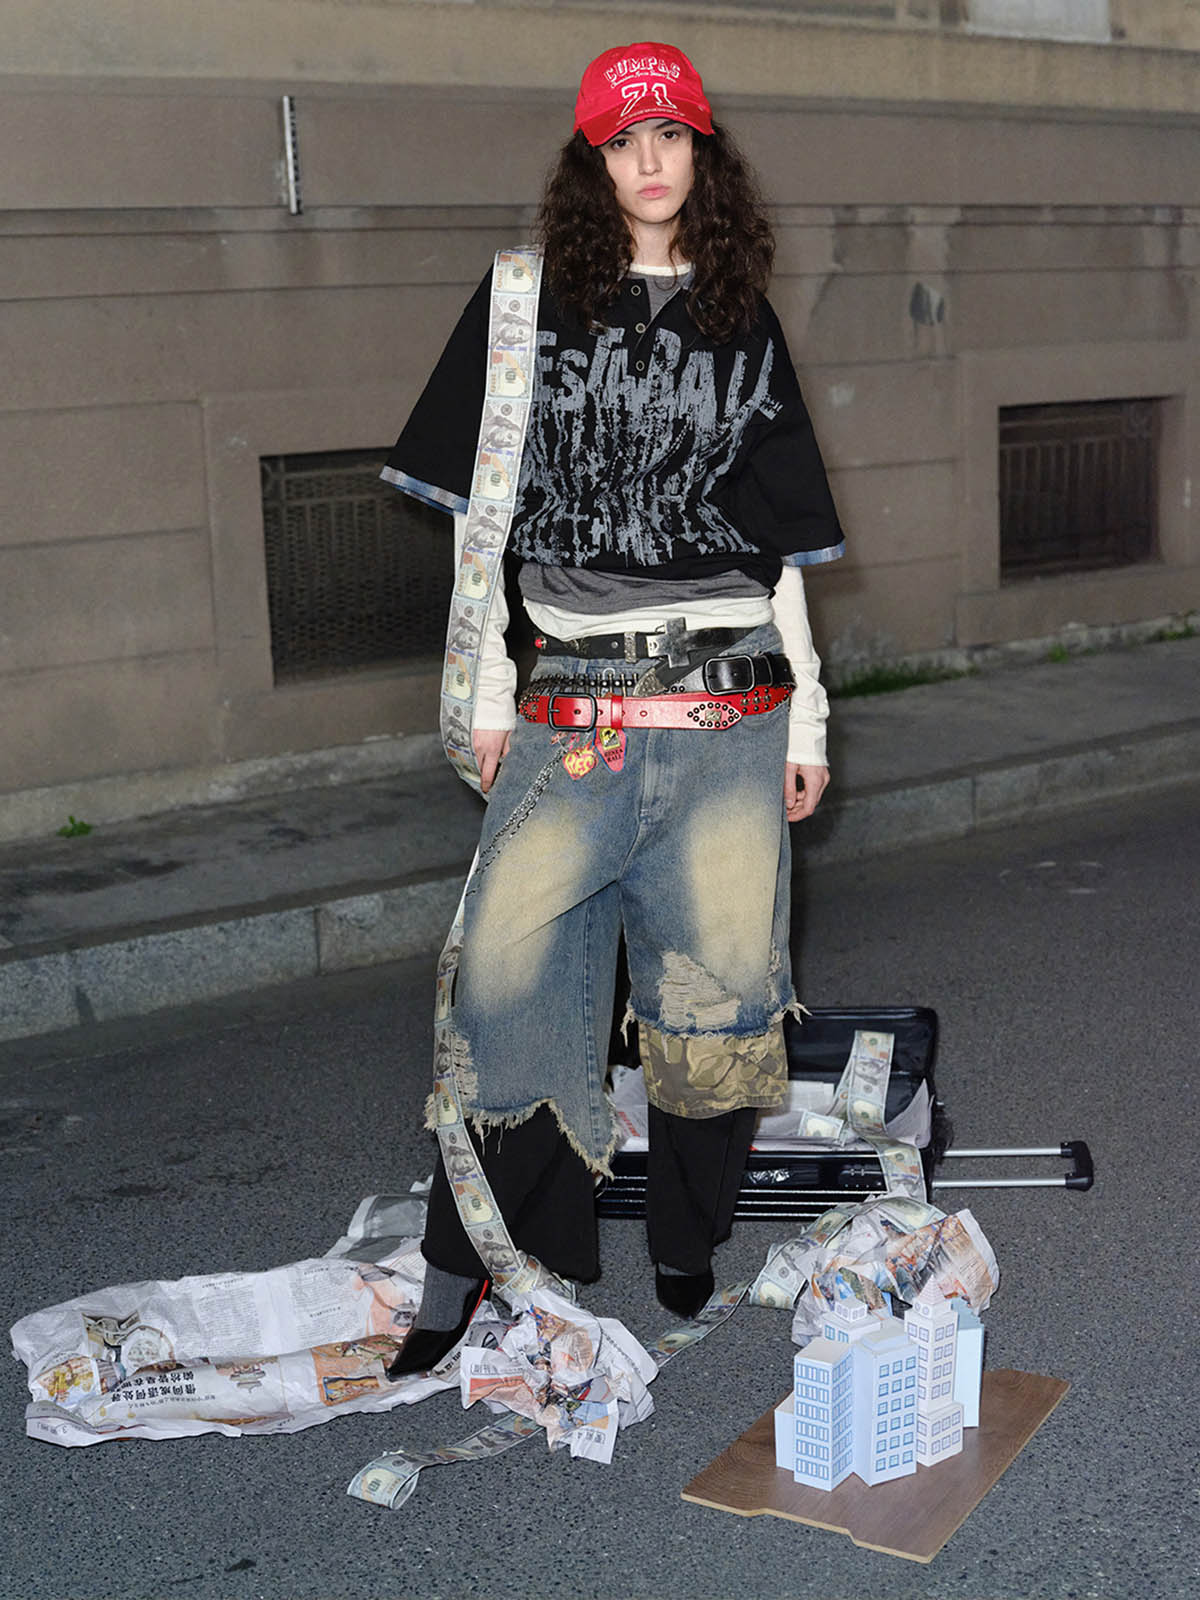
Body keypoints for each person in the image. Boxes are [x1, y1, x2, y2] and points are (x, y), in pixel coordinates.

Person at [382, 42, 844, 1375]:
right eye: (624, 139)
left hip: (730, 715)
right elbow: (481, 524)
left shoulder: (740, 315)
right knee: (504, 986)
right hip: (572, 714)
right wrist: (485, 694)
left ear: (702, 152)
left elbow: (778, 552)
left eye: (672, 134)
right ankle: (471, 1266)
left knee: (715, 1007)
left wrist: (810, 717)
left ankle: (688, 1247)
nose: (650, 159)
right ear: (590, 161)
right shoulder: (522, 305)